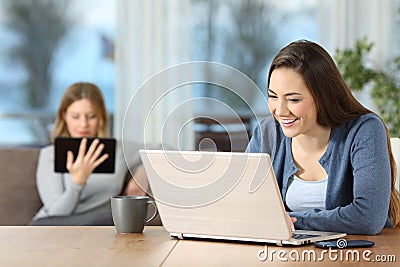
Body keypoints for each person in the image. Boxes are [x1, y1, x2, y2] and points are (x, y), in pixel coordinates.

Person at [246, 40, 400, 235]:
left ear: (322, 96)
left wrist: (292, 221)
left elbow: (368, 218)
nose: (280, 110)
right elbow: (244, 207)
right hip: (288, 254)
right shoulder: (267, 133)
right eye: (273, 96)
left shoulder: (365, 130)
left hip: (361, 255)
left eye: (293, 99)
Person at [30, 82, 146, 226]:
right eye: (75, 116)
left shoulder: (118, 150)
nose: (83, 124)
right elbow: (56, 213)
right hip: (55, 226)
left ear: (101, 117)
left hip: (98, 226)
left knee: (110, 220)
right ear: (64, 116)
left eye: (91, 116)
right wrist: (78, 183)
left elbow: (164, 150)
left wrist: (141, 174)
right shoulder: (50, 155)